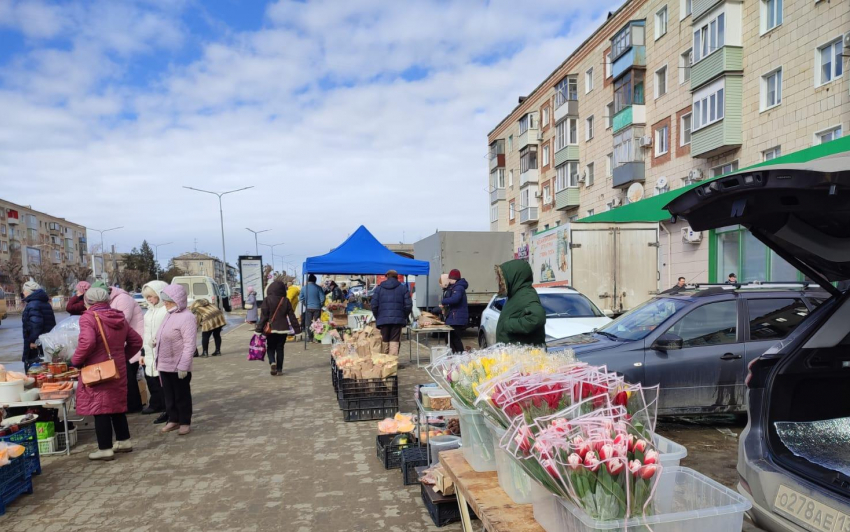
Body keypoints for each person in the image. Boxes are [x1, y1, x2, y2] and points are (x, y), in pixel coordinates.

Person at [71, 286, 143, 461]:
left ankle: (105, 448)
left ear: (88, 301)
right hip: (117, 367)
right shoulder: (118, 316)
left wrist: (75, 361)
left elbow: (87, 342)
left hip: (97, 369)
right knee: (116, 405)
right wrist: (122, 357)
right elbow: (136, 341)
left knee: (100, 407)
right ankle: (124, 441)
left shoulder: (89, 317)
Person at [156, 284, 196, 436]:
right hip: (164, 363)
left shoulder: (187, 317)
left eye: (168, 301)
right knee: (169, 395)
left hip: (179, 365)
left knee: (181, 395)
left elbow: (189, 344)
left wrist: (183, 366)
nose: (165, 304)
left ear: (177, 300)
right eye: (165, 301)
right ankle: (173, 419)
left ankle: (185, 421)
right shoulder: (169, 314)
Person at [107, 285, 145, 414]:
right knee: (129, 376)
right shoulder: (114, 299)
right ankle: (132, 405)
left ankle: (134, 406)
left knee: (129, 377)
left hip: (131, 342)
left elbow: (122, 321)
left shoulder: (123, 299)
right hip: (125, 342)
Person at [494, 260, 546, 346]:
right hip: (515, 355)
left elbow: (537, 317)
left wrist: (509, 325)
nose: (499, 282)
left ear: (513, 277)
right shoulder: (516, 295)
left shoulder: (526, 295)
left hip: (525, 356)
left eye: (502, 279)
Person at [256, 281, 301, 376]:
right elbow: (292, 317)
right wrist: (297, 331)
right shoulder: (285, 300)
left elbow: (263, 317)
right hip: (283, 329)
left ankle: (272, 362)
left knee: (270, 347)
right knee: (280, 348)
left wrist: (259, 330)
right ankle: (279, 369)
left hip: (271, 329)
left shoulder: (267, 300)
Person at [140, 281, 168, 424]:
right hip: (150, 352)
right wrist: (143, 353)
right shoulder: (150, 311)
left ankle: (166, 409)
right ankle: (158, 405)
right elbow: (146, 332)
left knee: (164, 382)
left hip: (162, 351)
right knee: (152, 380)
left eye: (151, 296)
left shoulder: (166, 310)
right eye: (147, 297)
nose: (149, 299)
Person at [371, 270, 412, 355]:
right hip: (397, 320)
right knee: (394, 342)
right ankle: (392, 363)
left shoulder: (379, 288)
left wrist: (378, 317)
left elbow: (374, 305)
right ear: (397, 277)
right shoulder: (403, 288)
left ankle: (384, 363)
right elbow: (408, 305)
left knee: (384, 341)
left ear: (387, 276)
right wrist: (403, 316)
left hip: (383, 320)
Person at [21, 280, 56, 370]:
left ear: (28, 291)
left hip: (37, 343)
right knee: (46, 365)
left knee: (35, 368)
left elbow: (36, 324)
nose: (23, 293)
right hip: (46, 340)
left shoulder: (33, 304)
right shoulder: (44, 302)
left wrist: (33, 341)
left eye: (24, 290)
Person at [442, 269, 469, 354]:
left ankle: (460, 355)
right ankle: (455, 355)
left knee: (455, 338)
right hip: (454, 316)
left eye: (450, 278)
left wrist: (444, 301)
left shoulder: (458, 287)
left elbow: (455, 299)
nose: (449, 280)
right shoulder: (455, 287)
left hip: (457, 317)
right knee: (450, 338)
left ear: (454, 279)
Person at [300, 274, 325, 341]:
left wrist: (305, 304)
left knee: (309, 323)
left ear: (308, 280)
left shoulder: (304, 288)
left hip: (308, 307)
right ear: (315, 280)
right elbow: (322, 298)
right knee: (317, 322)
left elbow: (301, 298)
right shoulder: (318, 288)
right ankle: (317, 337)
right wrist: (320, 304)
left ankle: (310, 338)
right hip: (317, 307)